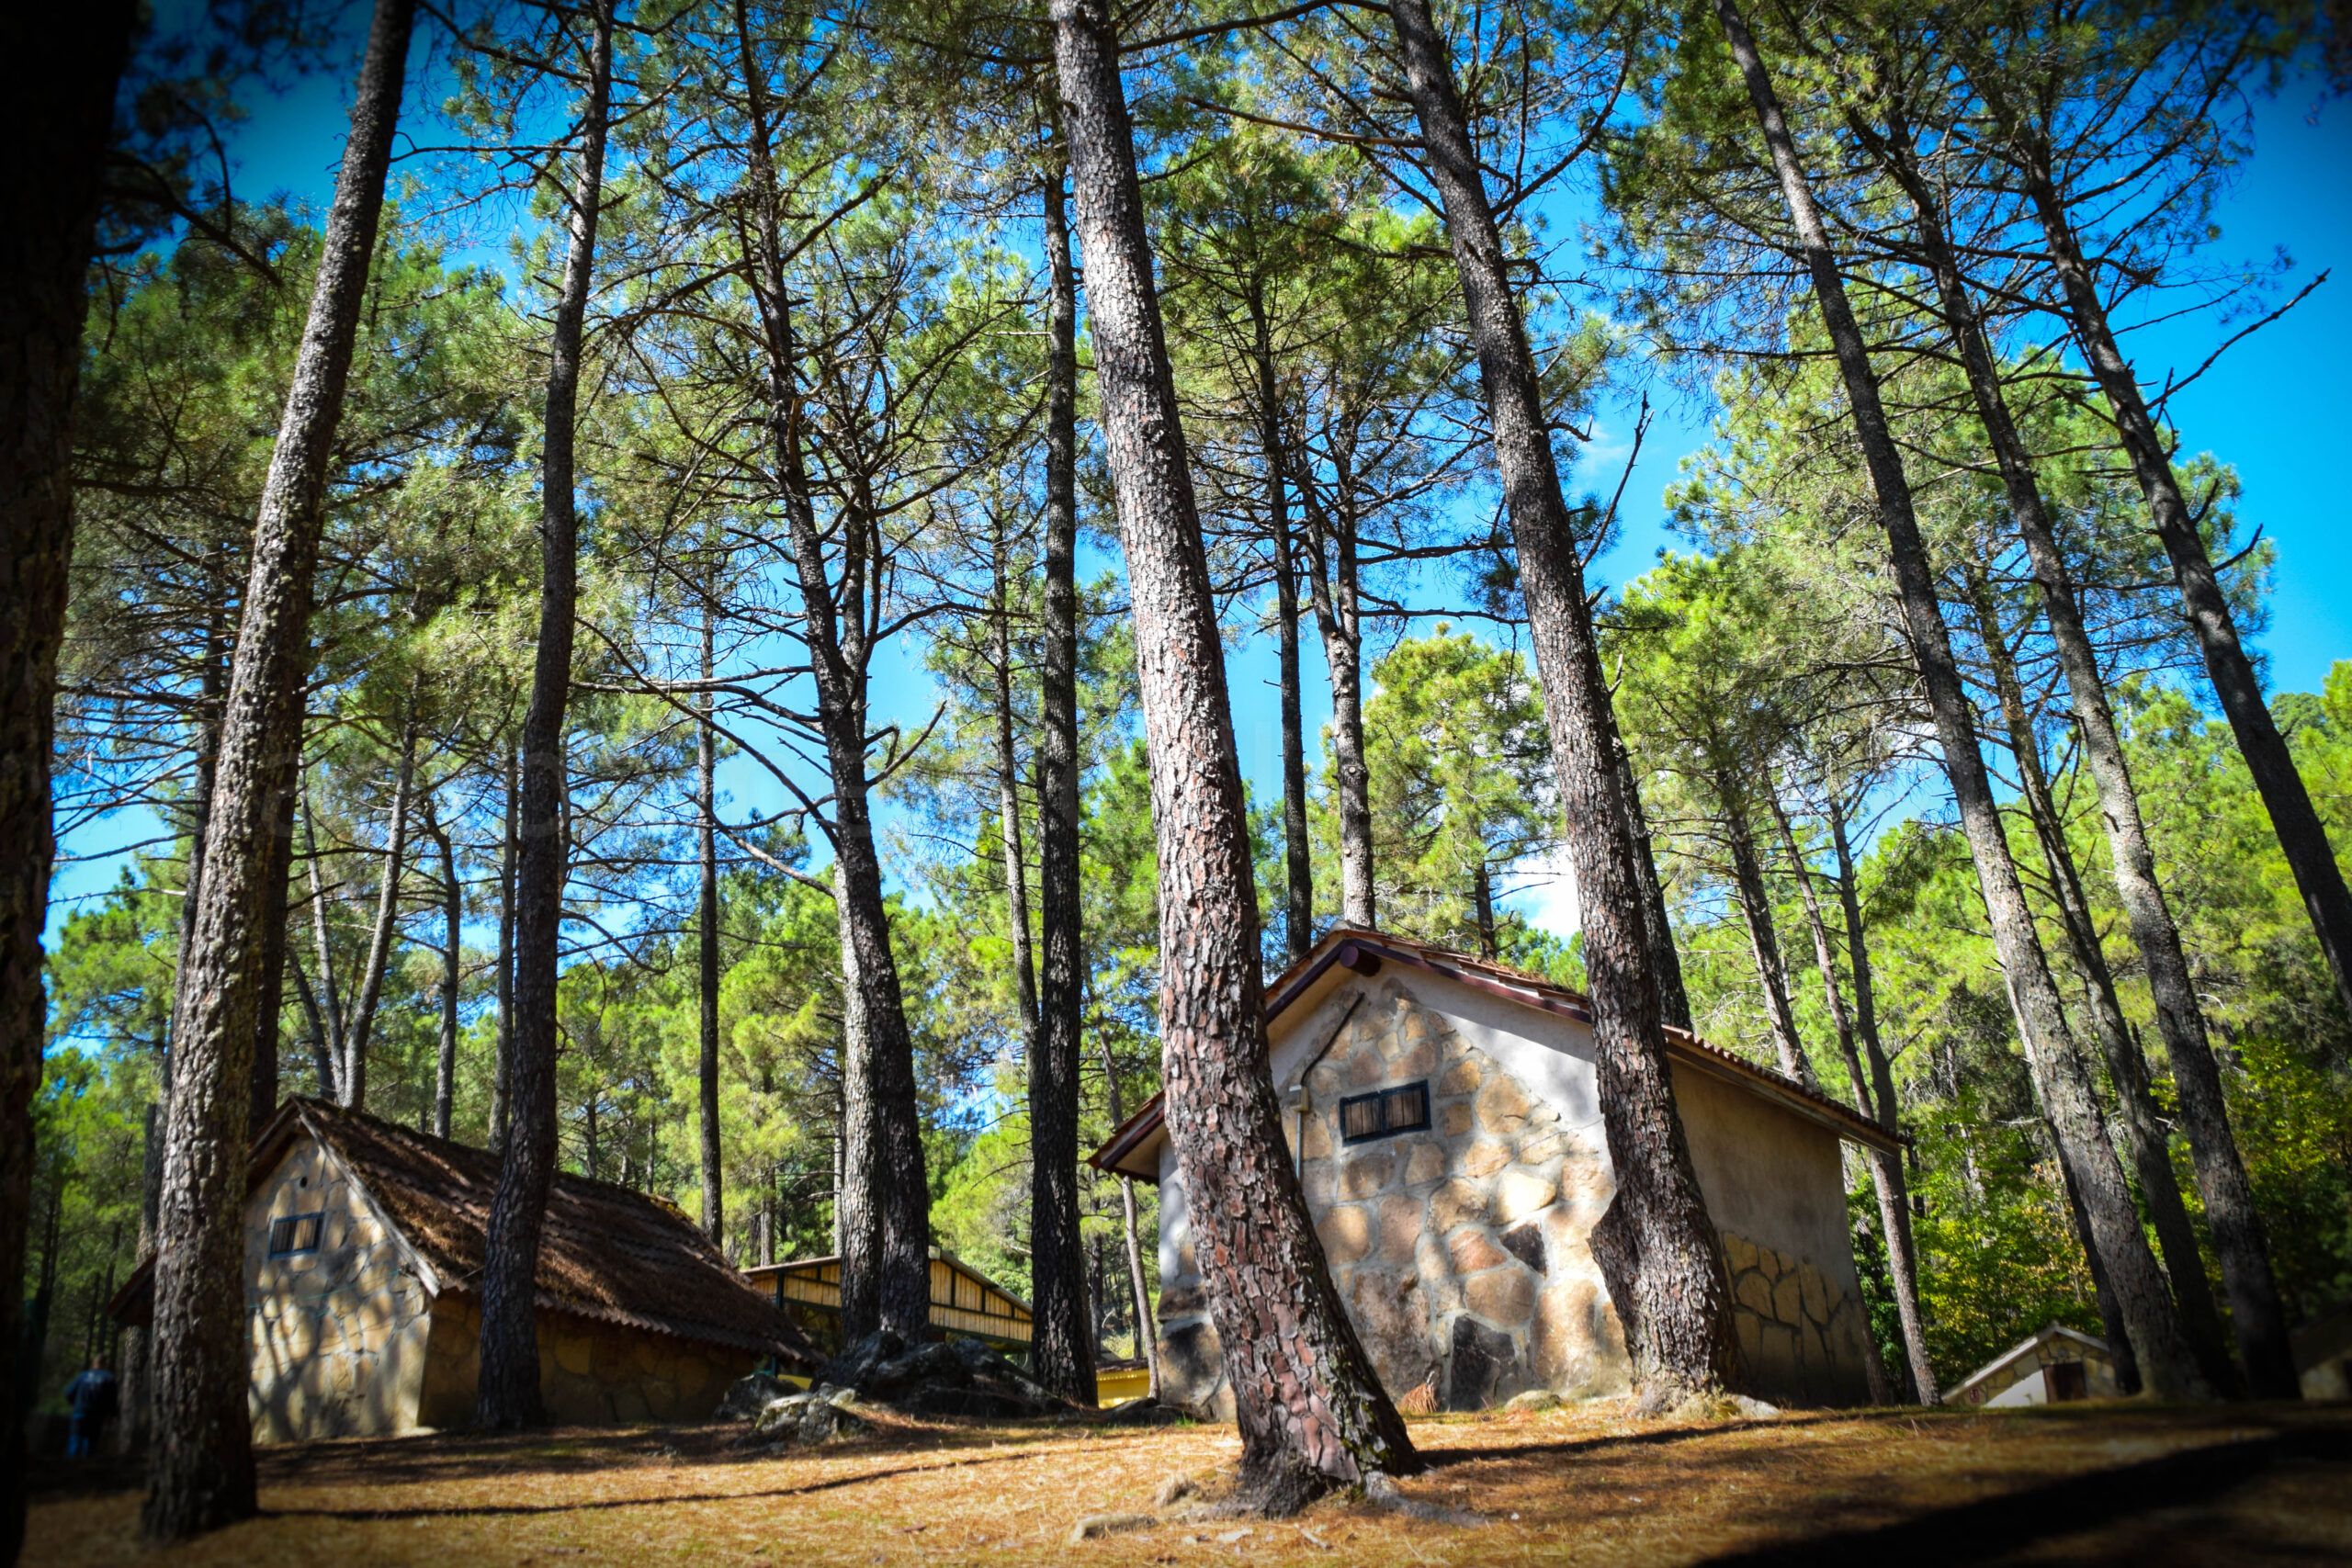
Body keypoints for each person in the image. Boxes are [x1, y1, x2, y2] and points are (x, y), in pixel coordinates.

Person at [63, 1355, 119, 1459]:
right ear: (105, 1364)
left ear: (94, 1363)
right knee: (89, 1442)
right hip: (96, 1415)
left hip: (79, 1412)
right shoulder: (109, 1378)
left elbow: (68, 1393)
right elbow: (112, 1400)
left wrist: (74, 1404)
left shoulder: (82, 1376)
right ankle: (86, 1465)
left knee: (75, 1439)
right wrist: (113, 1414)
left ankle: (70, 1466)